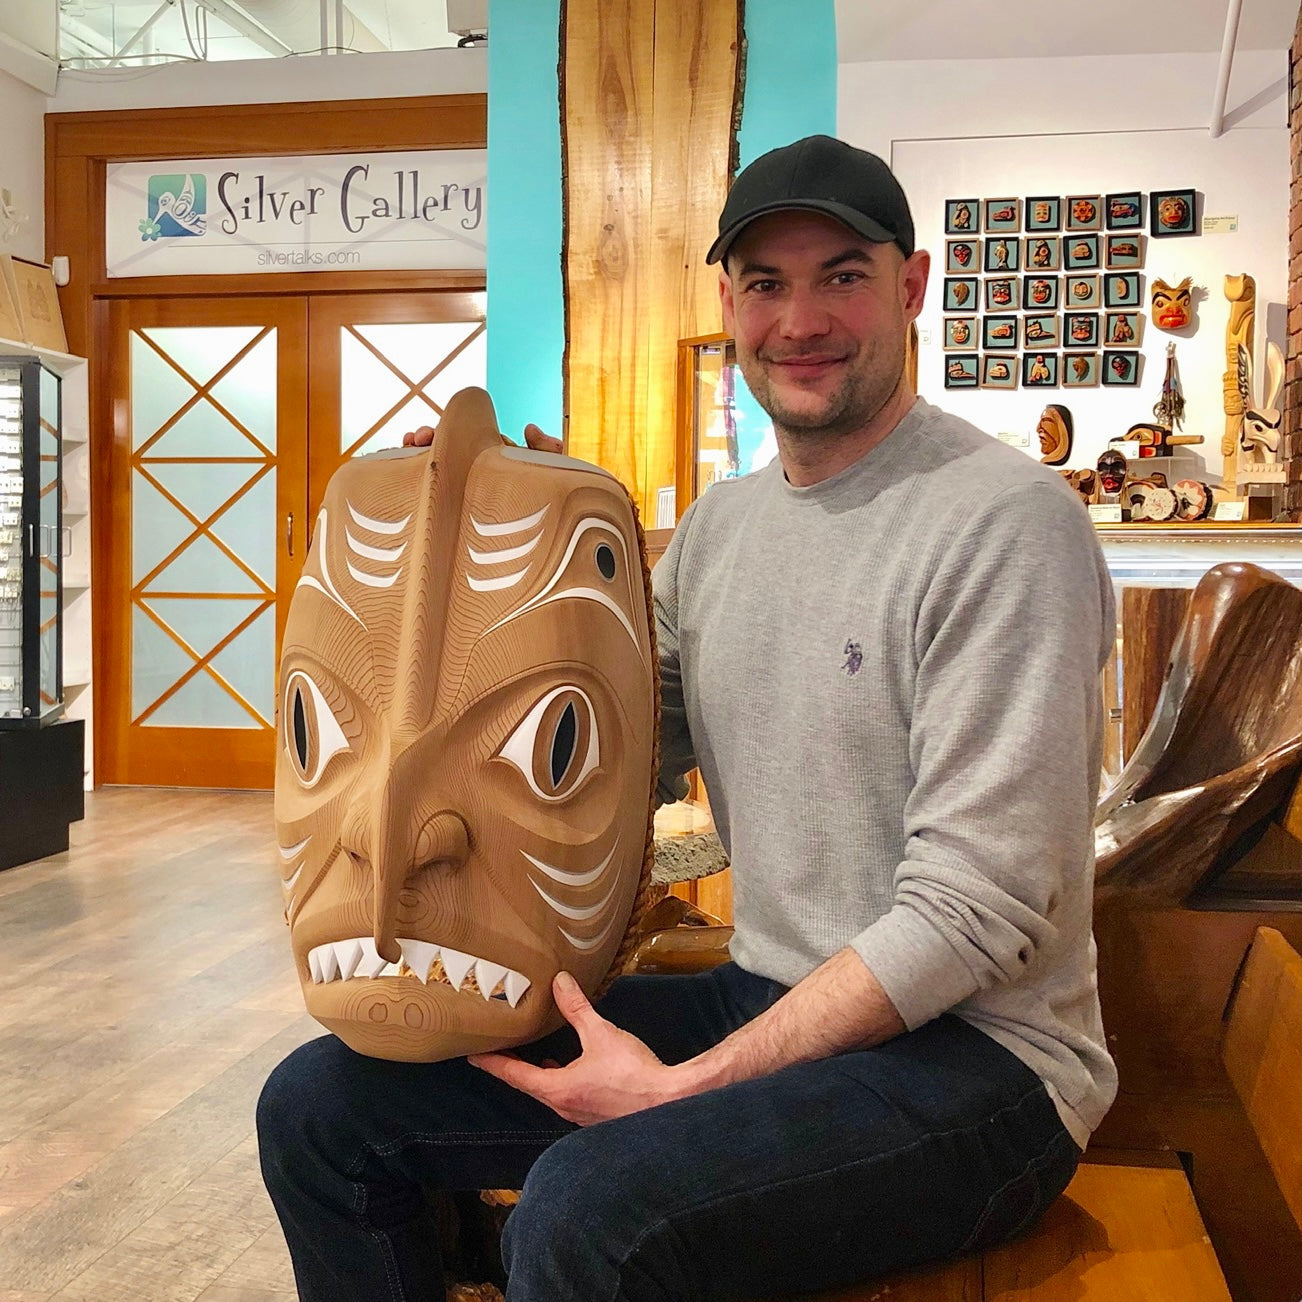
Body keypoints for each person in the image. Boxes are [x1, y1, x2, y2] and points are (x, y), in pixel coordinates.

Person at [257, 133, 1117, 1301]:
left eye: (843, 277)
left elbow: (981, 907)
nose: (801, 320)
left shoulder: (1006, 522)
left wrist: (682, 1090)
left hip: (983, 1070)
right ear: (729, 305)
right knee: (319, 1108)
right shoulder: (722, 530)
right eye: (767, 284)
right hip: (773, 992)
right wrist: (494, 544)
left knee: (588, 1209)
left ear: (912, 286)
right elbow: (608, 745)